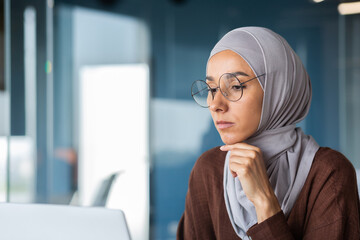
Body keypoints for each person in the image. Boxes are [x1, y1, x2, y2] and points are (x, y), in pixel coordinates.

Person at [176, 27, 360, 240]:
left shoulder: (329, 174)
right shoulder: (209, 169)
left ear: (277, 89)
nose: (216, 104)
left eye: (235, 86)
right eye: (211, 89)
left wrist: (264, 201)